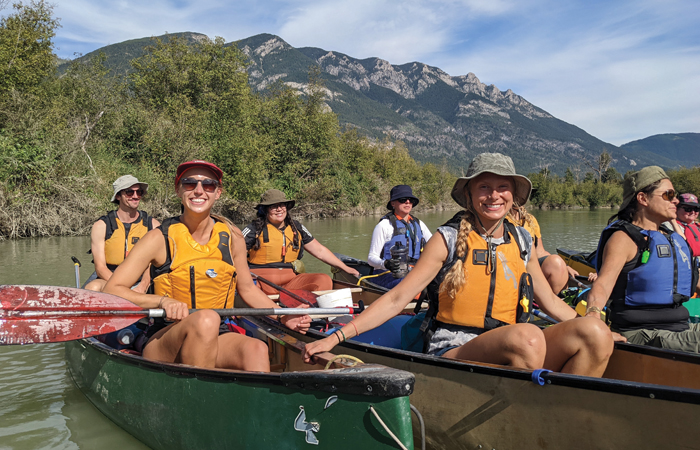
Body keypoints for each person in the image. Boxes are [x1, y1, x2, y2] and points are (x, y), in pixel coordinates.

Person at [304, 153, 615, 376]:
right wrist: (336, 337)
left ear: (513, 195)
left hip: (517, 342)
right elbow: (398, 298)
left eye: (502, 187)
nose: (494, 195)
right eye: (484, 187)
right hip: (454, 346)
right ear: (469, 194)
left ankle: (560, 415)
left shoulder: (522, 240)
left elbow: (550, 303)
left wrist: (600, 328)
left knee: (593, 333)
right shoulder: (447, 239)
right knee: (528, 337)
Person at [103, 161, 311, 371]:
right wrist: (162, 301)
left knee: (256, 348)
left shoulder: (233, 237)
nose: (199, 191)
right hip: (165, 337)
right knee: (206, 318)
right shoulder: (158, 238)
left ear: (218, 192)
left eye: (208, 185)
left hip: (216, 331)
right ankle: (199, 397)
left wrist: (283, 315)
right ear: (178, 190)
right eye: (189, 183)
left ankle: (256, 401)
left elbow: (247, 289)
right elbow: (113, 290)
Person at [585, 166, 700, 352]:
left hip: (680, 327)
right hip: (642, 333)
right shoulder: (624, 238)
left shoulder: (672, 238)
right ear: (643, 198)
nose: (676, 200)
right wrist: (593, 315)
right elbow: (603, 284)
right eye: (668, 195)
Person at [241, 189, 359, 295]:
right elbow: (234, 255)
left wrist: (346, 268)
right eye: (273, 206)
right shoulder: (253, 229)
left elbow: (320, 251)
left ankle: (304, 311)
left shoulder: (296, 228)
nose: (279, 209)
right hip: (260, 283)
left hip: (290, 282)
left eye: (282, 205)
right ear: (264, 209)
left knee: (324, 280)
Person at [85, 175, 160, 292]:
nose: (135, 196)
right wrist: (121, 287)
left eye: (139, 192)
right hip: (110, 277)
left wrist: (143, 286)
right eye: (130, 192)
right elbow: (100, 268)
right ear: (118, 196)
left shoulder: (153, 225)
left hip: (142, 280)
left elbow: (153, 265)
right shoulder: (101, 226)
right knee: (92, 287)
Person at [508, 205, 589, 291]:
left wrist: (565, 266)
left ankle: (555, 300)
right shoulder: (500, 221)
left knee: (557, 264)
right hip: (511, 269)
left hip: (532, 267)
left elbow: (540, 252)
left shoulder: (530, 219)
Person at [367, 185, 432, 289]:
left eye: (410, 200)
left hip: (414, 274)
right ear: (393, 203)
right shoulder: (384, 225)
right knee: (410, 283)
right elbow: (371, 258)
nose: (407, 202)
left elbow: (435, 246)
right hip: (386, 275)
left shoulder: (419, 224)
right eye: (402, 200)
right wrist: (386, 264)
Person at [675, 193, 700, 259]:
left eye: (696, 209)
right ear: (676, 209)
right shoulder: (667, 227)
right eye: (688, 209)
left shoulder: (698, 227)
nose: (693, 212)